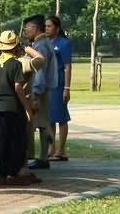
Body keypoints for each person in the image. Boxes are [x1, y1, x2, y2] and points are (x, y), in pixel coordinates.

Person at [0, 30, 33, 185]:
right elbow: (18, 87)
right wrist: (27, 108)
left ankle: (3, 171)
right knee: (17, 140)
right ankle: (13, 173)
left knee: (2, 139)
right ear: (16, 47)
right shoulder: (15, 64)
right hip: (13, 107)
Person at [22, 15, 57, 170]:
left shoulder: (40, 46)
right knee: (42, 123)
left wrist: (35, 94)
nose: (24, 31)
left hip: (40, 91)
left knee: (41, 123)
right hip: (44, 90)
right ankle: (42, 156)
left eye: (27, 28)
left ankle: (43, 157)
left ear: (35, 28)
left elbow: (39, 73)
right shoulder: (42, 43)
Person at [45, 16, 72, 161]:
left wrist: (66, 88)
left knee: (61, 117)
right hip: (48, 83)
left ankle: (61, 150)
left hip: (59, 83)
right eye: (46, 26)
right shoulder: (46, 42)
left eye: (49, 26)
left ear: (57, 28)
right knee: (49, 117)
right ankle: (51, 147)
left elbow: (68, 66)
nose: (47, 28)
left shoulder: (63, 43)